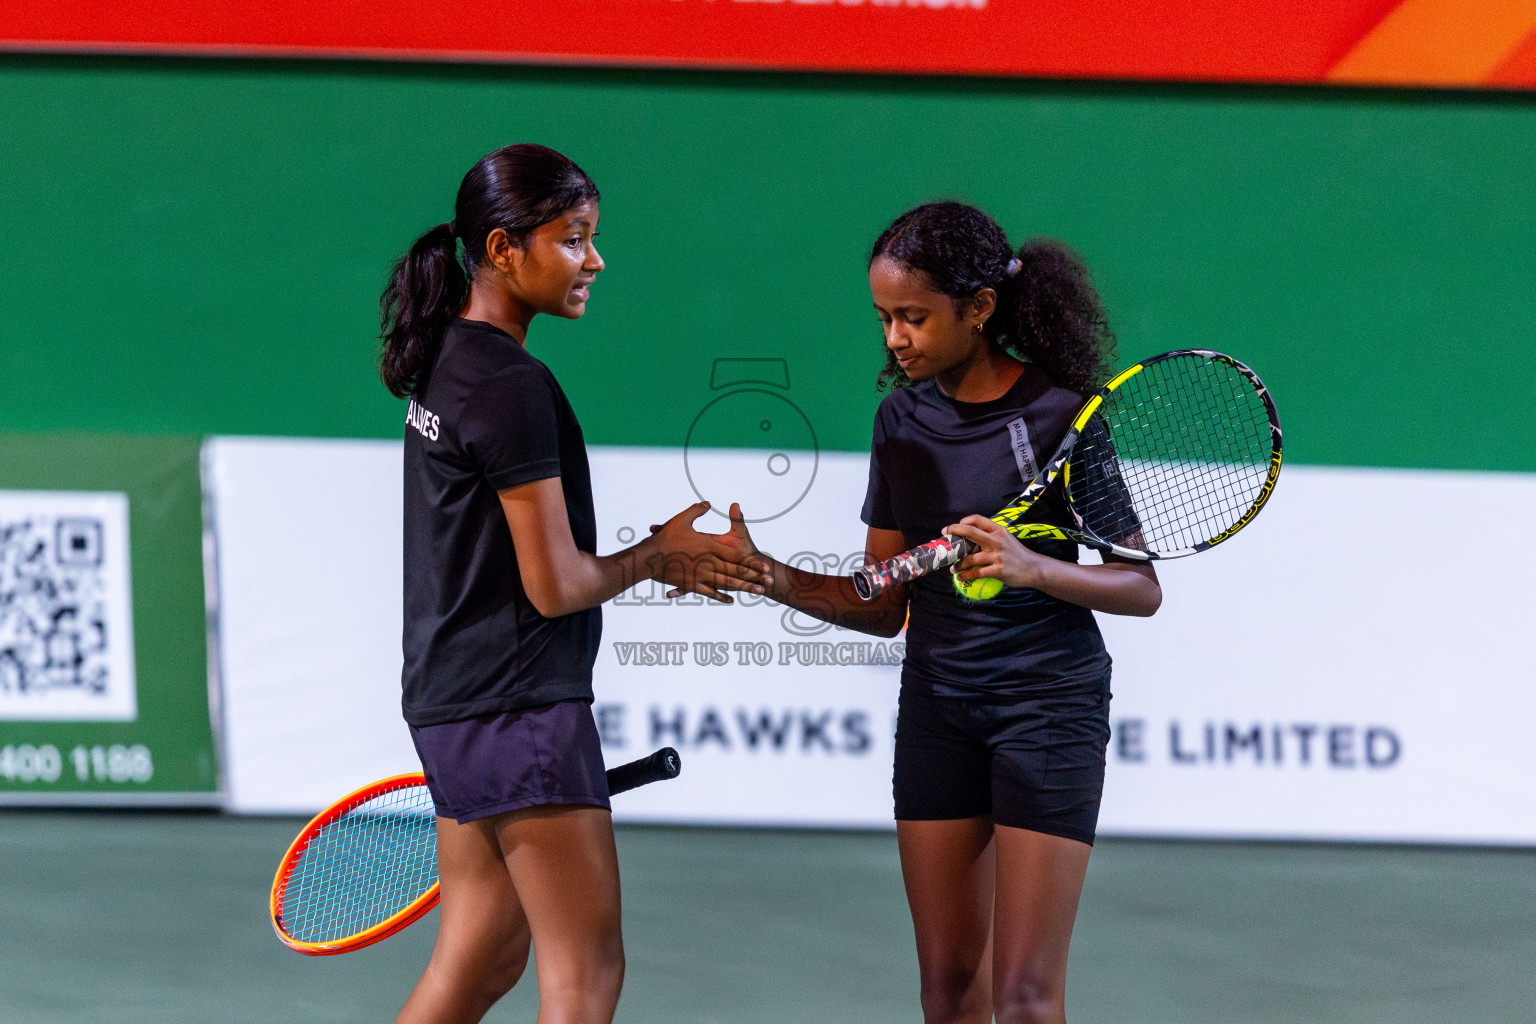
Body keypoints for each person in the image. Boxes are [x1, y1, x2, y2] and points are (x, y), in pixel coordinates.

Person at [722, 202, 1161, 1024]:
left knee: (1024, 997)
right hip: (938, 709)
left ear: (980, 309)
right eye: (886, 318)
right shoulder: (901, 422)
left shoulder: (1062, 418)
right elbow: (883, 602)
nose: (896, 338)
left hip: (1048, 708)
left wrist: (1033, 569)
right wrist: (767, 575)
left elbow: (1140, 586)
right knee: (950, 991)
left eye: (914, 317)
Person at [378, 143, 766, 1024]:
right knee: (585, 976)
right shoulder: (511, 382)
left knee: (478, 962)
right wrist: (659, 556)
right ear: (504, 249)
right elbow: (555, 586)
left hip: (453, 702)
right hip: (520, 709)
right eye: (574, 239)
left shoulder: (449, 358)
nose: (595, 260)